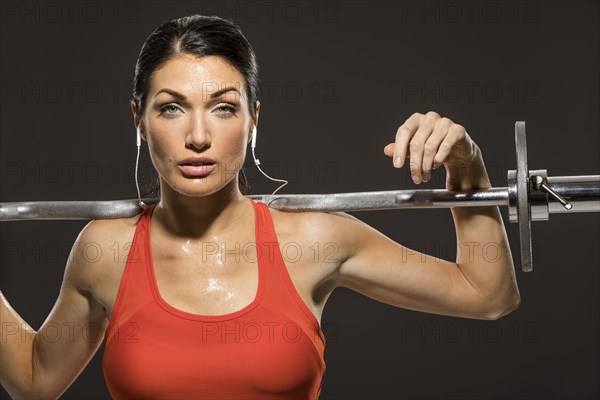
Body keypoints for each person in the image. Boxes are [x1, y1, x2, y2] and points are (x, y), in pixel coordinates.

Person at [0, 14, 520, 400]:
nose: (198, 136)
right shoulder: (106, 250)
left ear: (253, 120)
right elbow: (32, 380)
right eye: (171, 108)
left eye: (224, 108)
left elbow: (486, 293)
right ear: (139, 119)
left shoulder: (314, 242)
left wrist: (468, 168)